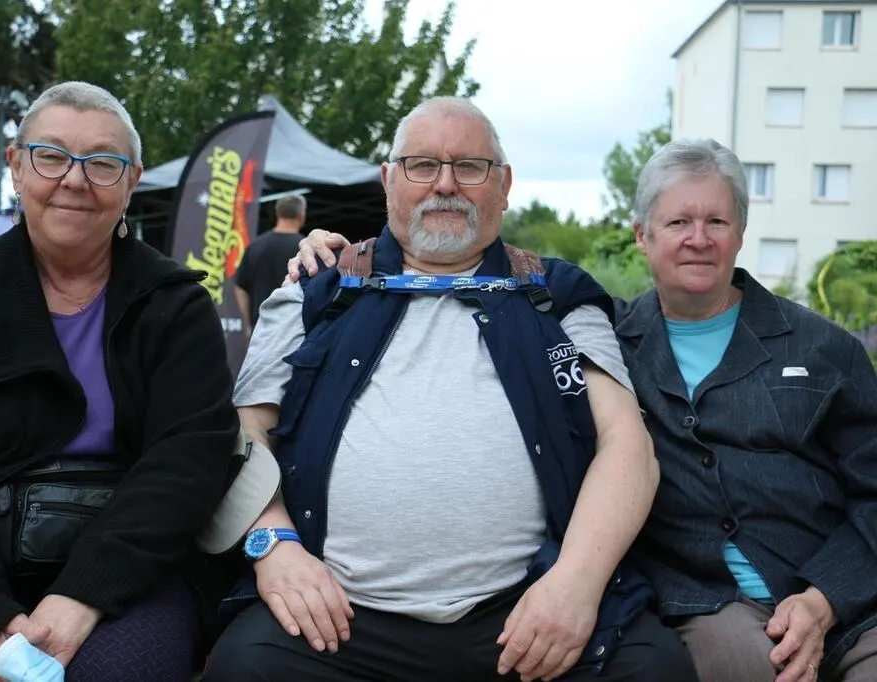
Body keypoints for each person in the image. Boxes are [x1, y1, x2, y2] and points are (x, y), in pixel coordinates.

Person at [288, 138, 877, 682]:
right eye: (678, 222)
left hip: (842, 592)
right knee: (750, 667)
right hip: (708, 602)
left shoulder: (824, 350)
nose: (698, 238)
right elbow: (492, 279)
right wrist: (335, 252)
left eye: (716, 222)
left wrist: (824, 597)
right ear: (642, 235)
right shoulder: (606, 340)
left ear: (740, 233)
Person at [202, 97, 698, 682]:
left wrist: (576, 584)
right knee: (242, 668)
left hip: (528, 607)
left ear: (504, 185)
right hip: (338, 612)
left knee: (656, 670)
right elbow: (244, 432)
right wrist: (274, 545)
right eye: (421, 165)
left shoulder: (559, 296)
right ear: (388, 180)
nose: (445, 185)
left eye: (469, 167)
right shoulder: (315, 290)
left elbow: (628, 446)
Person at [0, 81, 249, 682]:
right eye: (52, 156)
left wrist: (84, 593)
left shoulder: (176, 306)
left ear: (132, 182)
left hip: (130, 559)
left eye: (103, 163)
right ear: (16, 166)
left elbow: (186, 463)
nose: (74, 179)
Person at [235, 194, 307, 338]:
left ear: (277, 214)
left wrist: (248, 324)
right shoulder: (305, 249)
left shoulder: (255, 246)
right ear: (301, 216)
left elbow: (240, 288)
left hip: (260, 329)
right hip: (294, 332)